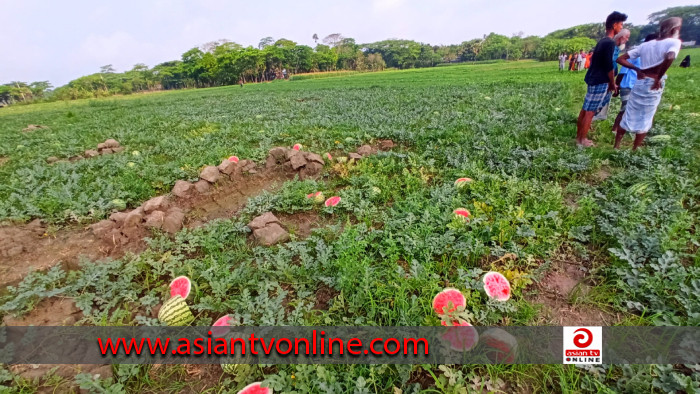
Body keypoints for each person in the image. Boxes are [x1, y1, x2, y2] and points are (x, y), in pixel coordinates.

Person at [614, 17, 682, 150]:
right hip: (654, 83)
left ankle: (616, 146)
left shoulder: (645, 45)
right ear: (675, 29)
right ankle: (635, 149)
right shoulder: (674, 42)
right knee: (646, 117)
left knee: (629, 112)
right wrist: (659, 77)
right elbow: (670, 57)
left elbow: (620, 59)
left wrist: (637, 70)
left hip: (640, 81)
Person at [576, 11, 627, 147]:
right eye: (621, 24)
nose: (621, 27)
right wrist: (612, 83)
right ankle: (582, 141)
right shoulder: (609, 43)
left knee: (586, 109)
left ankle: (579, 137)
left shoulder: (603, 41)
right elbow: (608, 65)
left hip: (594, 78)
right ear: (614, 25)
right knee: (590, 111)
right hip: (600, 80)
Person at [611, 34, 658, 133]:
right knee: (625, 108)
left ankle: (634, 129)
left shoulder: (652, 57)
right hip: (627, 86)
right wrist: (616, 87)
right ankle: (615, 129)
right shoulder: (635, 55)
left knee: (638, 110)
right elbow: (622, 72)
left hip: (639, 86)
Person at [594, 28, 631, 121]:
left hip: (609, 77)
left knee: (606, 96)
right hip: (605, 77)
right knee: (601, 97)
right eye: (627, 37)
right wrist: (612, 81)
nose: (627, 40)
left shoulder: (617, 48)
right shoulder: (612, 47)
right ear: (622, 37)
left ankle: (599, 115)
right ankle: (594, 115)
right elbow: (609, 64)